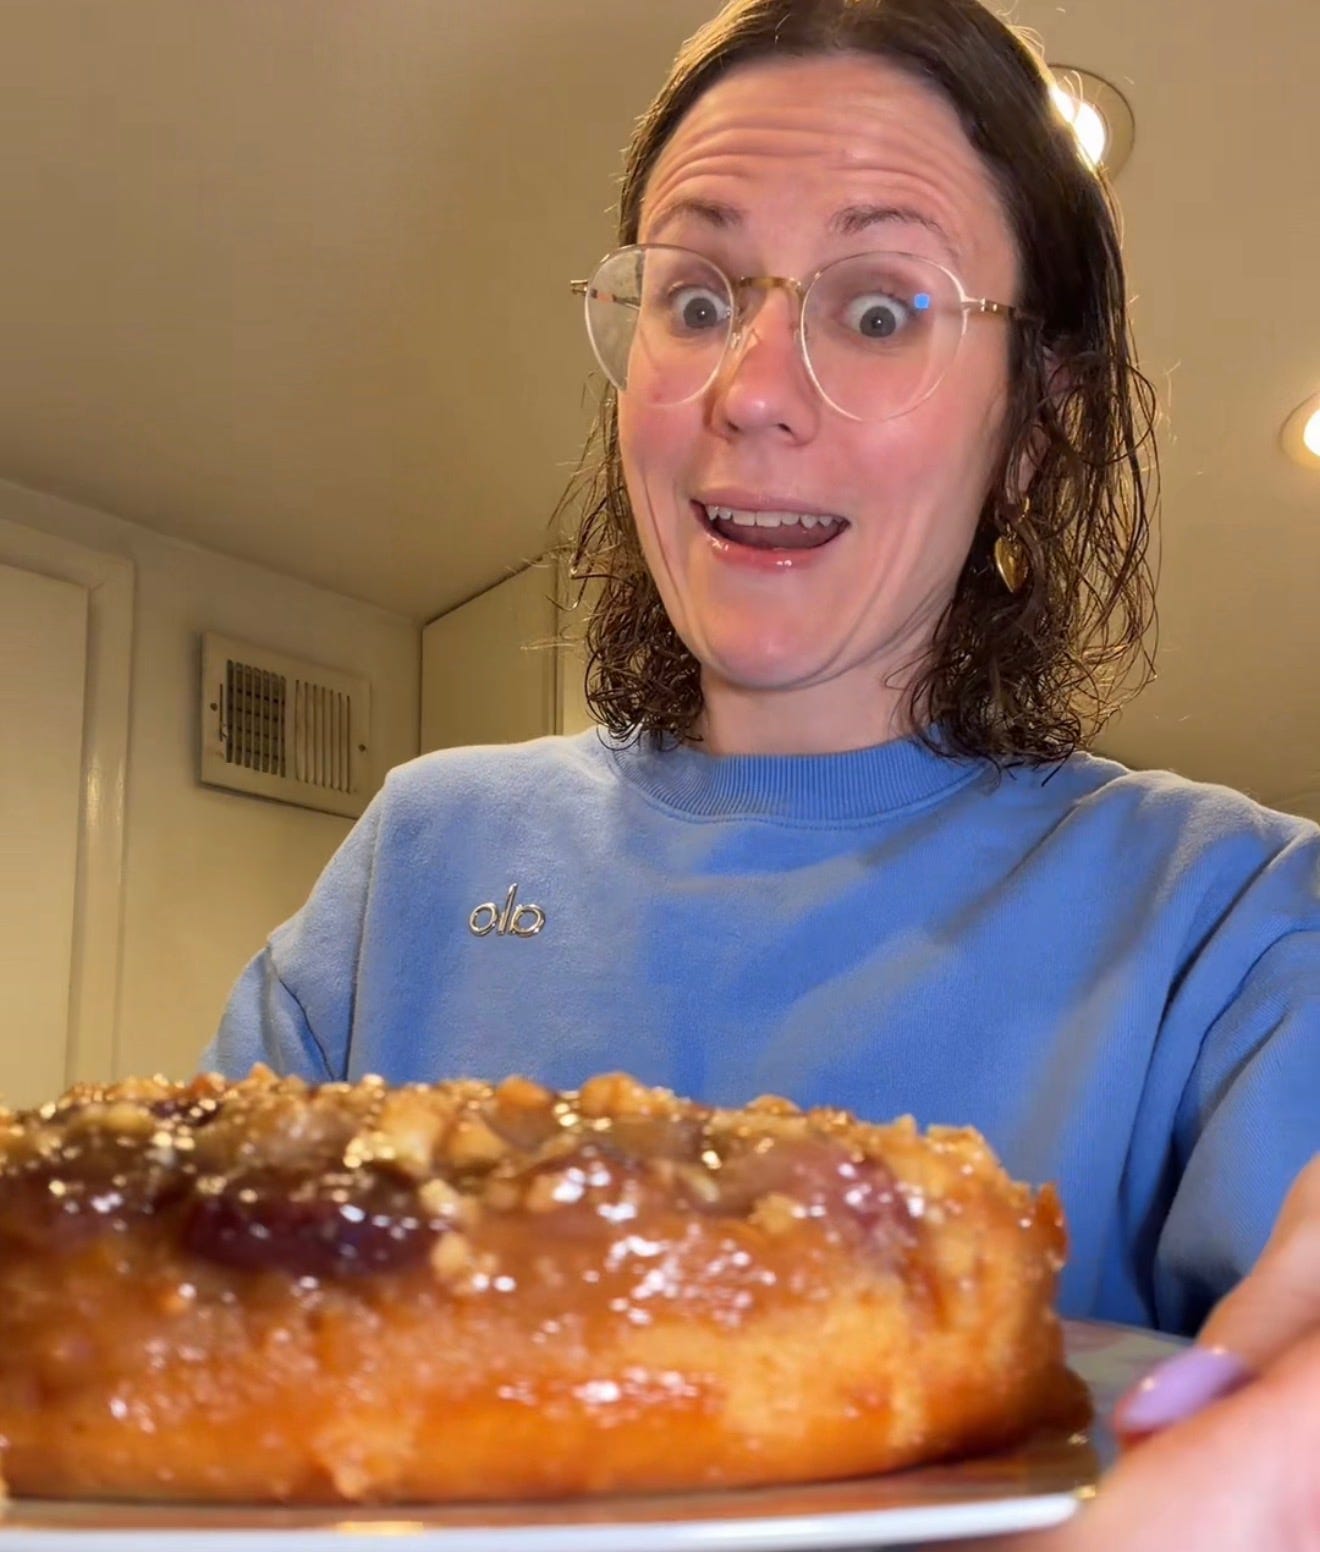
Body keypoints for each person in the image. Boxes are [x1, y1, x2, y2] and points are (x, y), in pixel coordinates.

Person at [205, 0, 1319, 1541]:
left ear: (1037, 427)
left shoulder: (1237, 923)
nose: (750, 389)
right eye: (697, 295)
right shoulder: (420, 861)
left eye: (882, 311)